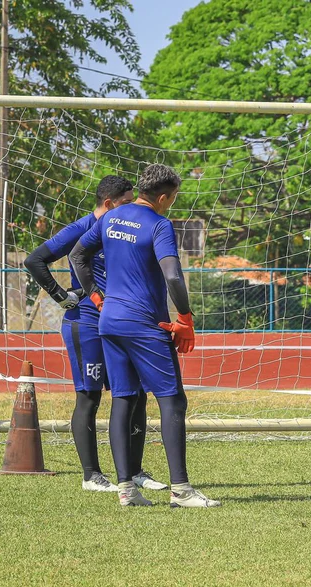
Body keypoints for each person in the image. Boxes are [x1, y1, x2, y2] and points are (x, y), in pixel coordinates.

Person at [69, 163, 218, 508]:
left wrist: (95, 296)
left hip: (110, 321)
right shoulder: (159, 224)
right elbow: (174, 276)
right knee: (172, 400)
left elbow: (77, 254)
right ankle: (180, 490)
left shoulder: (111, 217)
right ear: (164, 197)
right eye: (173, 198)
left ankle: (127, 490)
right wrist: (185, 318)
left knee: (123, 398)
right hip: (144, 324)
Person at [24, 175, 166, 494]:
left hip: (119, 323)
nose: (134, 207)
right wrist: (62, 296)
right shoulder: (83, 228)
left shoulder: (128, 228)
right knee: (89, 397)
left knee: (135, 394)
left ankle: (134, 470)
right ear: (108, 204)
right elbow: (34, 260)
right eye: (127, 202)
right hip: (86, 323)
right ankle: (92, 475)